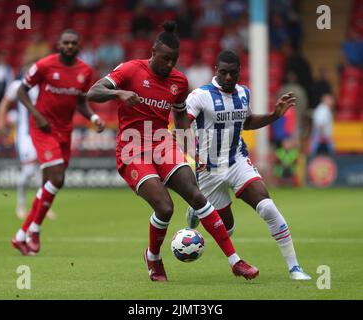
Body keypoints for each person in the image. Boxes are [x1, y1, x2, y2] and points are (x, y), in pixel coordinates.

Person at [87, 21, 259, 282]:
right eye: (165, 59)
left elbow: (180, 119)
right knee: (165, 207)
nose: (170, 65)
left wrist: (192, 151)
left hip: (161, 142)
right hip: (132, 148)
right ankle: (153, 257)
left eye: (174, 60)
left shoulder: (179, 81)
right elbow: (93, 92)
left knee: (196, 196)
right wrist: (120, 94)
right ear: (154, 51)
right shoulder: (131, 69)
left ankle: (235, 261)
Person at [183, 50, 311, 280]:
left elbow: (248, 122)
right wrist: (191, 153)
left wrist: (274, 115)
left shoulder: (244, 93)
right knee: (227, 228)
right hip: (209, 170)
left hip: (237, 161)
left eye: (233, 73)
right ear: (216, 71)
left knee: (268, 207)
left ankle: (295, 268)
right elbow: (182, 125)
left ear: (240, 71)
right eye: (224, 73)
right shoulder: (199, 96)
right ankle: (195, 210)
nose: (229, 77)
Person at [11, 29, 105, 256]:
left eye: (73, 43)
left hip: (65, 130)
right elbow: (21, 92)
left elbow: (80, 102)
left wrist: (92, 117)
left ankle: (20, 236)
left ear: (78, 45)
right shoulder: (44, 65)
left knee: (49, 185)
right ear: (59, 45)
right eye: (66, 43)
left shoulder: (84, 71)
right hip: (43, 128)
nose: (70, 46)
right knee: (57, 178)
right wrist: (37, 115)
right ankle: (34, 230)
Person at [0, 64, 56, 220]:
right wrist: (1, 123)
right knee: (29, 171)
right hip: (25, 135)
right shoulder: (17, 85)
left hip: (43, 134)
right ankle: (21, 205)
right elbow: (4, 103)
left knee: (43, 172)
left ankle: (43, 206)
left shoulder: (44, 86)